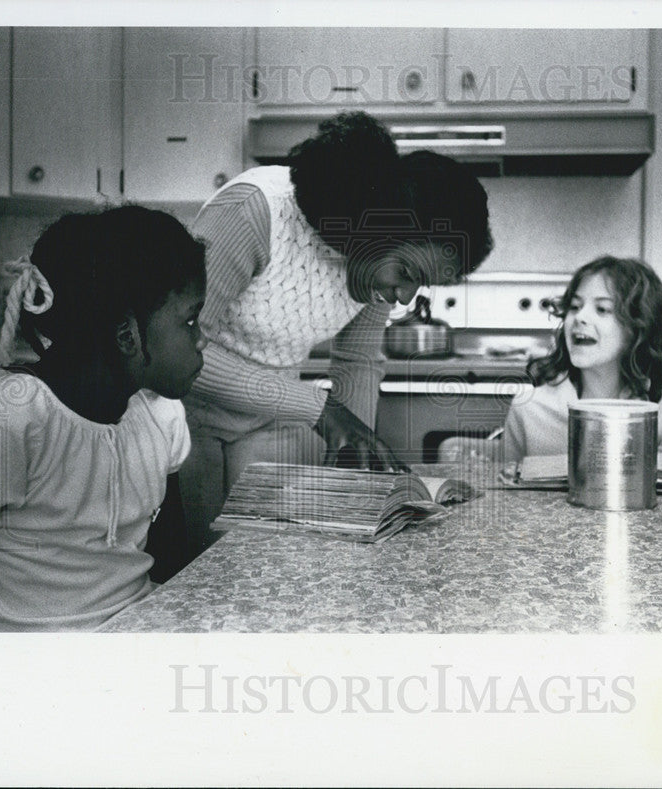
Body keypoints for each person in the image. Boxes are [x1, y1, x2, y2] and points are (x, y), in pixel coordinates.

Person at [180, 110, 493, 557]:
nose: (403, 297)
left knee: (259, 569)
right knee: (203, 572)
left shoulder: (371, 268)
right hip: (183, 420)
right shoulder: (252, 211)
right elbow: (182, 350)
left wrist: (359, 463)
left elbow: (358, 362)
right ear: (375, 225)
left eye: (418, 285)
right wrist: (323, 411)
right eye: (404, 272)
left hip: (266, 420)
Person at [0, 206, 208, 631]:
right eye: (190, 319)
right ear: (126, 335)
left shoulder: (161, 416)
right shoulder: (12, 417)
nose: (204, 336)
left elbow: (169, 563)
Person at [503, 255, 662, 461]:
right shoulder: (529, 407)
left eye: (602, 309)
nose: (580, 317)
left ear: (637, 328)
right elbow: (507, 488)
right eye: (574, 306)